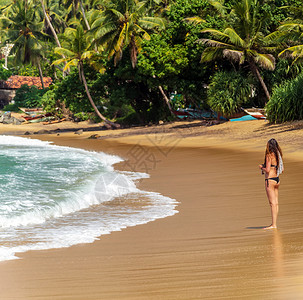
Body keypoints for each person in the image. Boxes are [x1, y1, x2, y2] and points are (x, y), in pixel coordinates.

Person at [259, 138, 284, 229]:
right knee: (276, 203)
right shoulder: (278, 155)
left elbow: (268, 170)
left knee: (272, 203)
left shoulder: (269, 155)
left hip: (270, 180)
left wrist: (261, 167)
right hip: (277, 179)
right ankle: (274, 224)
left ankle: (274, 224)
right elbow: (282, 169)